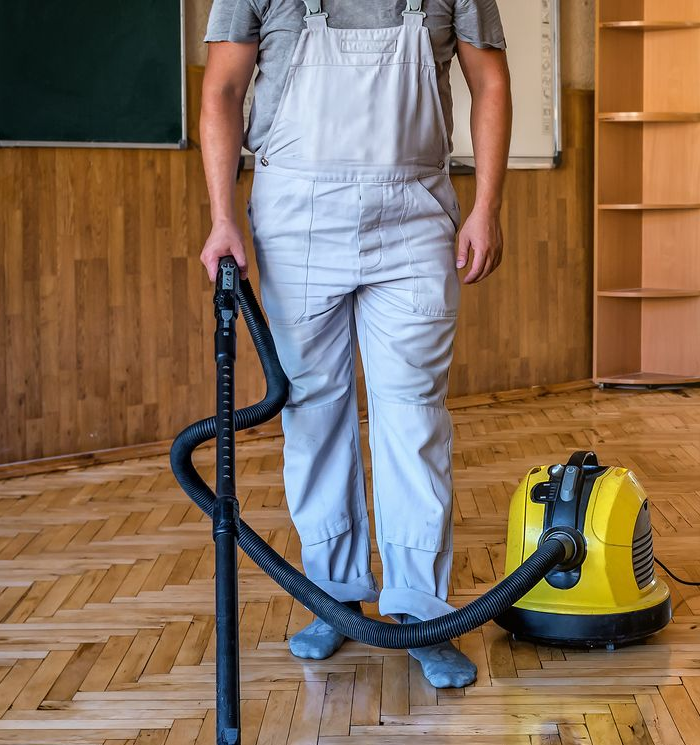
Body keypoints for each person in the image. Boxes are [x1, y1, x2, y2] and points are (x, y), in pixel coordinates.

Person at [200, 0, 512, 689]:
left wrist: (487, 205)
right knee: (312, 412)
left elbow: (490, 81)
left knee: (413, 415)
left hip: (415, 215)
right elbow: (221, 88)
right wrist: (223, 217)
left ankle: (419, 612)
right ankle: (336, 597)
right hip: (296, 213)